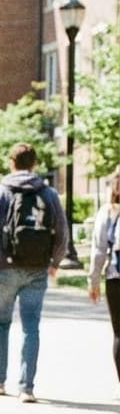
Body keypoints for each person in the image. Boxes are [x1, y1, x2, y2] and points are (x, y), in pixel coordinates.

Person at [0, 142, 68, 403]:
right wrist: (55, 263)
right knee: (31, 328)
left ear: (11, 163)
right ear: (34, 164)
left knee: (0, 323)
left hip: (4, 268)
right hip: (36, 270)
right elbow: (62, 232)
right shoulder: (48, 194)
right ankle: (27, 387)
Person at [88, 166, 120, 387]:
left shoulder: (108, 212)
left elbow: (99, 250)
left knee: (119, 334)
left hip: (115, 277)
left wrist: (93, 280)